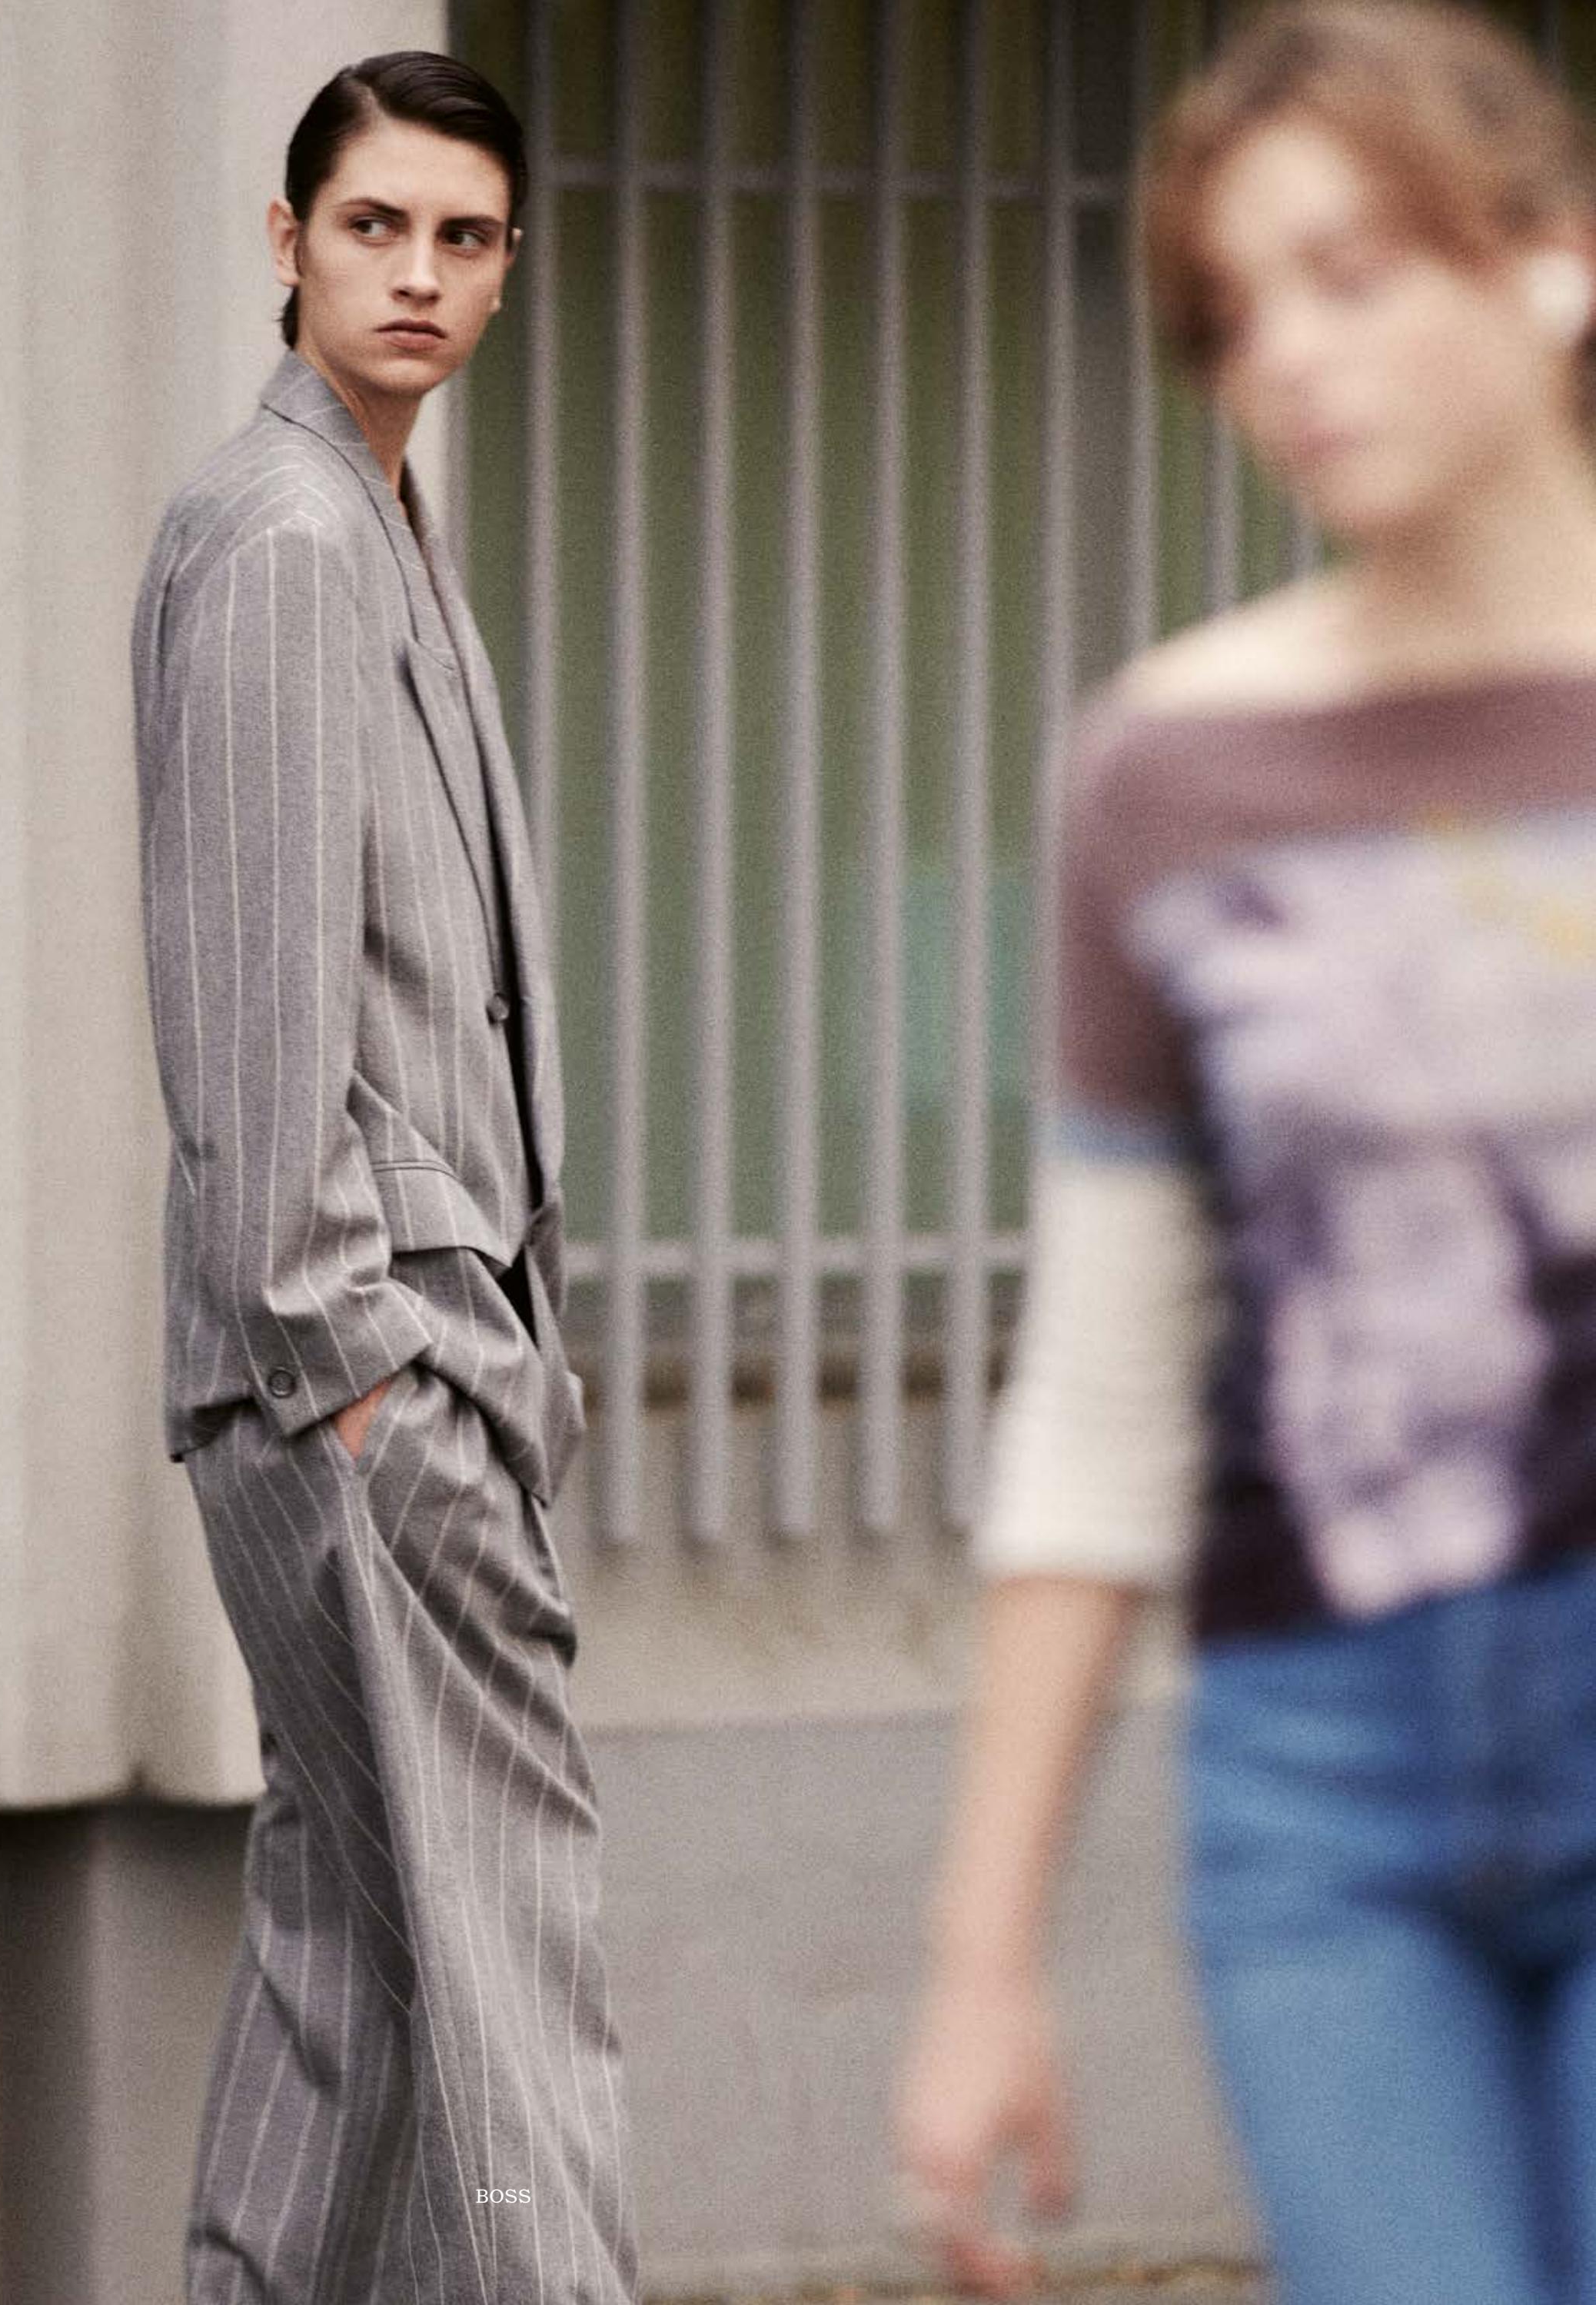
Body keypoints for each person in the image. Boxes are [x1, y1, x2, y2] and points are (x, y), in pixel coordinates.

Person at [893, 5, 1596, 2300]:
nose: (1286, 356)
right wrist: (982, 1962)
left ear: (1553, 257)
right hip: (1322, 1784)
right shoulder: (1168, 774)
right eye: (1232, 312)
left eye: (1350, 274)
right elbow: (1105, 1390)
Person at [129, 52, 640, 2304]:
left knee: (355, 1970)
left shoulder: (373, 519)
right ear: (288, 242)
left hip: (386, 1371)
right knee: (510, 1986)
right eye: (374, 227)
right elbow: (254, 1012)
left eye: (465, 236)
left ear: (508, 269)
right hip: (361, 1374)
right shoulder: (287, 537)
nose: (420, 273)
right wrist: (359, 1369)